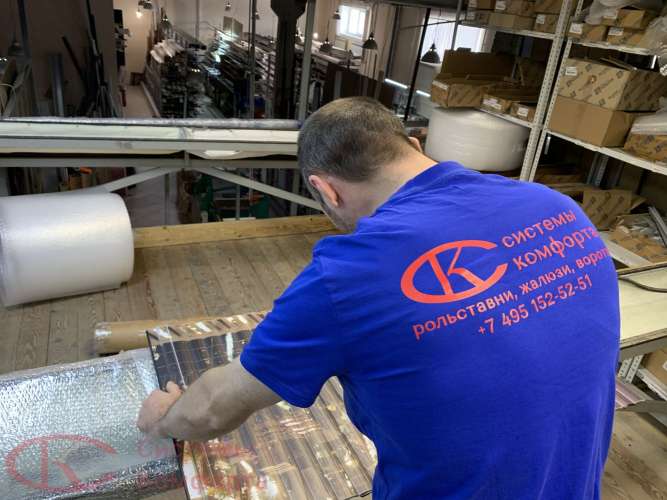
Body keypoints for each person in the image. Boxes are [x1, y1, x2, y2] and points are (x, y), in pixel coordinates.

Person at [138, 97, 620, 499]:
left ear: (325, 190)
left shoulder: (347, 275)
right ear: (415, 146)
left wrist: (164, 419)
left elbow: (213, 408)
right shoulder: (557, 206)